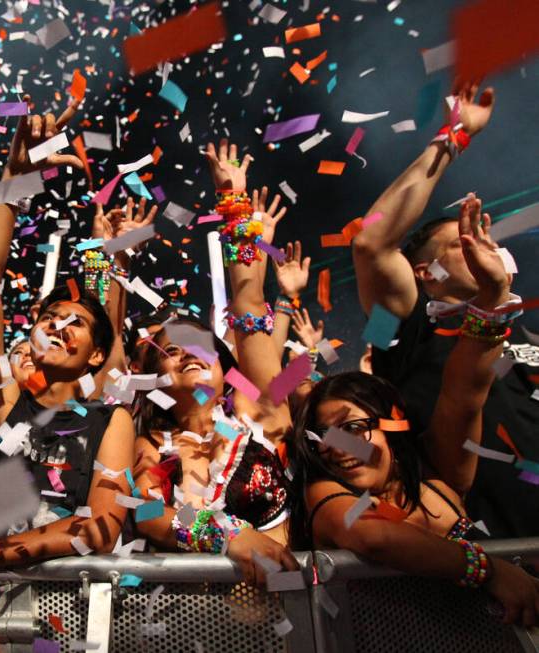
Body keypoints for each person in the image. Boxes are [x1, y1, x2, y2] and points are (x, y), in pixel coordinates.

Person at [0, 95, 136, 631]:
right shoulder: (3, 401)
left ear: (96, 354)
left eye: (76, 324)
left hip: (65, 628)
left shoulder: (111, 422)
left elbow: (101, 530)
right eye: (51, 315)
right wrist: (12, 186)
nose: (59, 326)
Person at [289, 198, 539, 626]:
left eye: (353, 427)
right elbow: (268, 390)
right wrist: (289, 311)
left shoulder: (438, 476)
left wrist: (494, 297)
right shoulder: (399, 332)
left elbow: (464, 396)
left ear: (390, 423)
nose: (336, 446)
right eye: (324, 436)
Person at [350, 82, 536, 537]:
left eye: (484, 238)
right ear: (423, 272)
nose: (482, 248)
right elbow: (370, 241)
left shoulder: (526, 339)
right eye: (461, 243)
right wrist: (453, 138)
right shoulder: (410, 323)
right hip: (487, 557)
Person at [131, 140, 298, 585]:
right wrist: (228, 536)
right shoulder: (150, 444)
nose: (187, 352)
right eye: (173, 349)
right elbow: (147, 514)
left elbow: (248, 301)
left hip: (297, 621)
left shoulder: (259, 412)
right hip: (192, 625)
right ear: (155, 379)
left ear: (226, 367)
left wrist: (234, 207)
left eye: (199, 344)